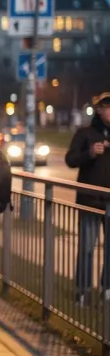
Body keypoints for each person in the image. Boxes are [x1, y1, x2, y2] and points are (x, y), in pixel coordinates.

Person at [65, 92, 110, 305]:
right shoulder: (85, 133)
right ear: (99, 110)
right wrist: (90, 153)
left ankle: (107, 289)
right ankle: (82, 291)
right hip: (90, 200)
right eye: (107, 107)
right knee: (87, 248)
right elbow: (70, 159)